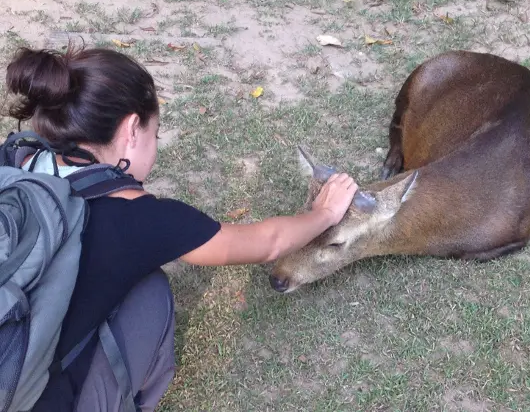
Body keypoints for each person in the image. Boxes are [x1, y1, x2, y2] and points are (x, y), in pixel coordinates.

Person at [3, 45, 358, 411]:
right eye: (155, 133)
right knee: (152, 291)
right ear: (131, 130)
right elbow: (267, 244)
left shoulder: (15, 161)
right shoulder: (142, 219)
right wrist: (326, 214)